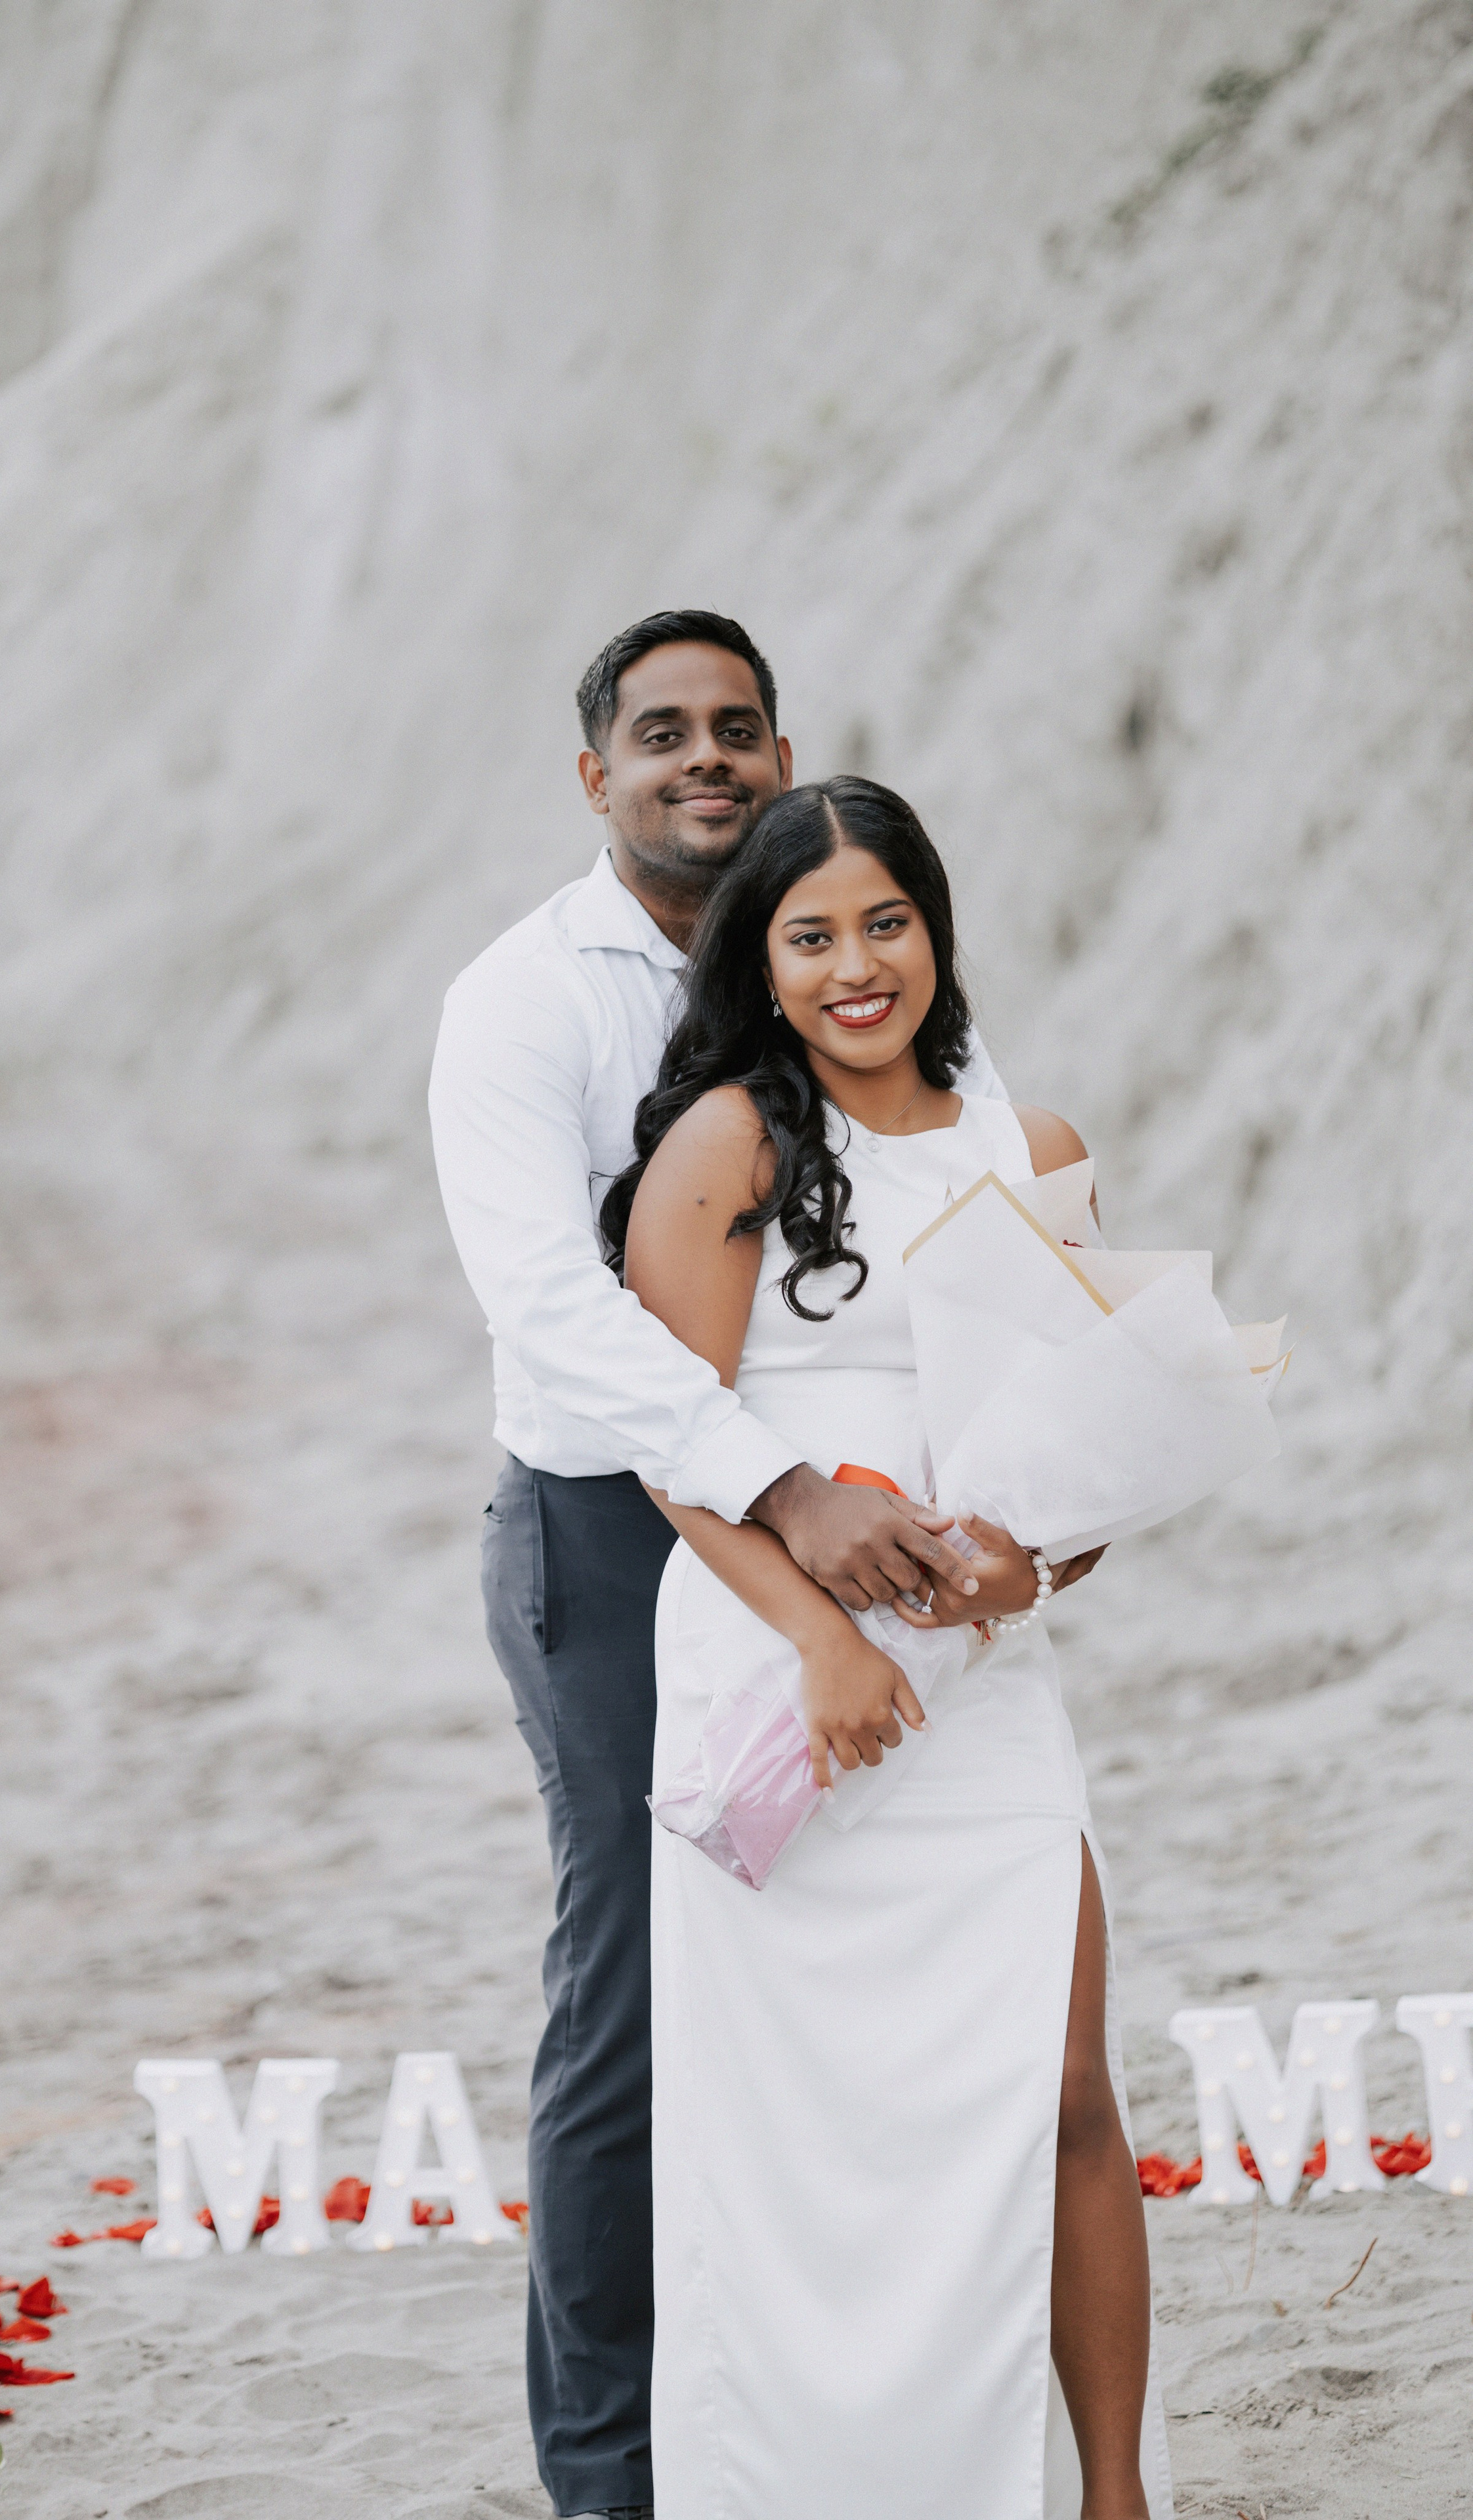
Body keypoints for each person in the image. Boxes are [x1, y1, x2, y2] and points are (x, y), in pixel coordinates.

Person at [429, 614, 1038, 2519]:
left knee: (842, 1985)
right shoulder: (521, 1004)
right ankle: (612, 2476)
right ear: (593, 772)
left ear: (783, 756)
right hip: (614, 1540)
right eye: (663, 732)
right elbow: (555, 1312)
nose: (709, 756)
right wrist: (783, 1493)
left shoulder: (840, 956)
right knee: (638, 1988)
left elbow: (984, 1217)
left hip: (866, 1532)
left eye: (741, 728)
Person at [602, 774, 1173, 2518]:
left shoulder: (1037, 1153)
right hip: (787, 1688)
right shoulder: (726, 1149)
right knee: (791, 2137)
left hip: (987, 1704)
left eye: (888, 922)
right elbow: (670, 1448)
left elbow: (1091, 1451)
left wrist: (1034, 1572)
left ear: (937, 931)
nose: (858, 964)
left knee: (1065, 2088)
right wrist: (821, 1644)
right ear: (762, 963)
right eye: (812, 933)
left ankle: (1111, 2495)